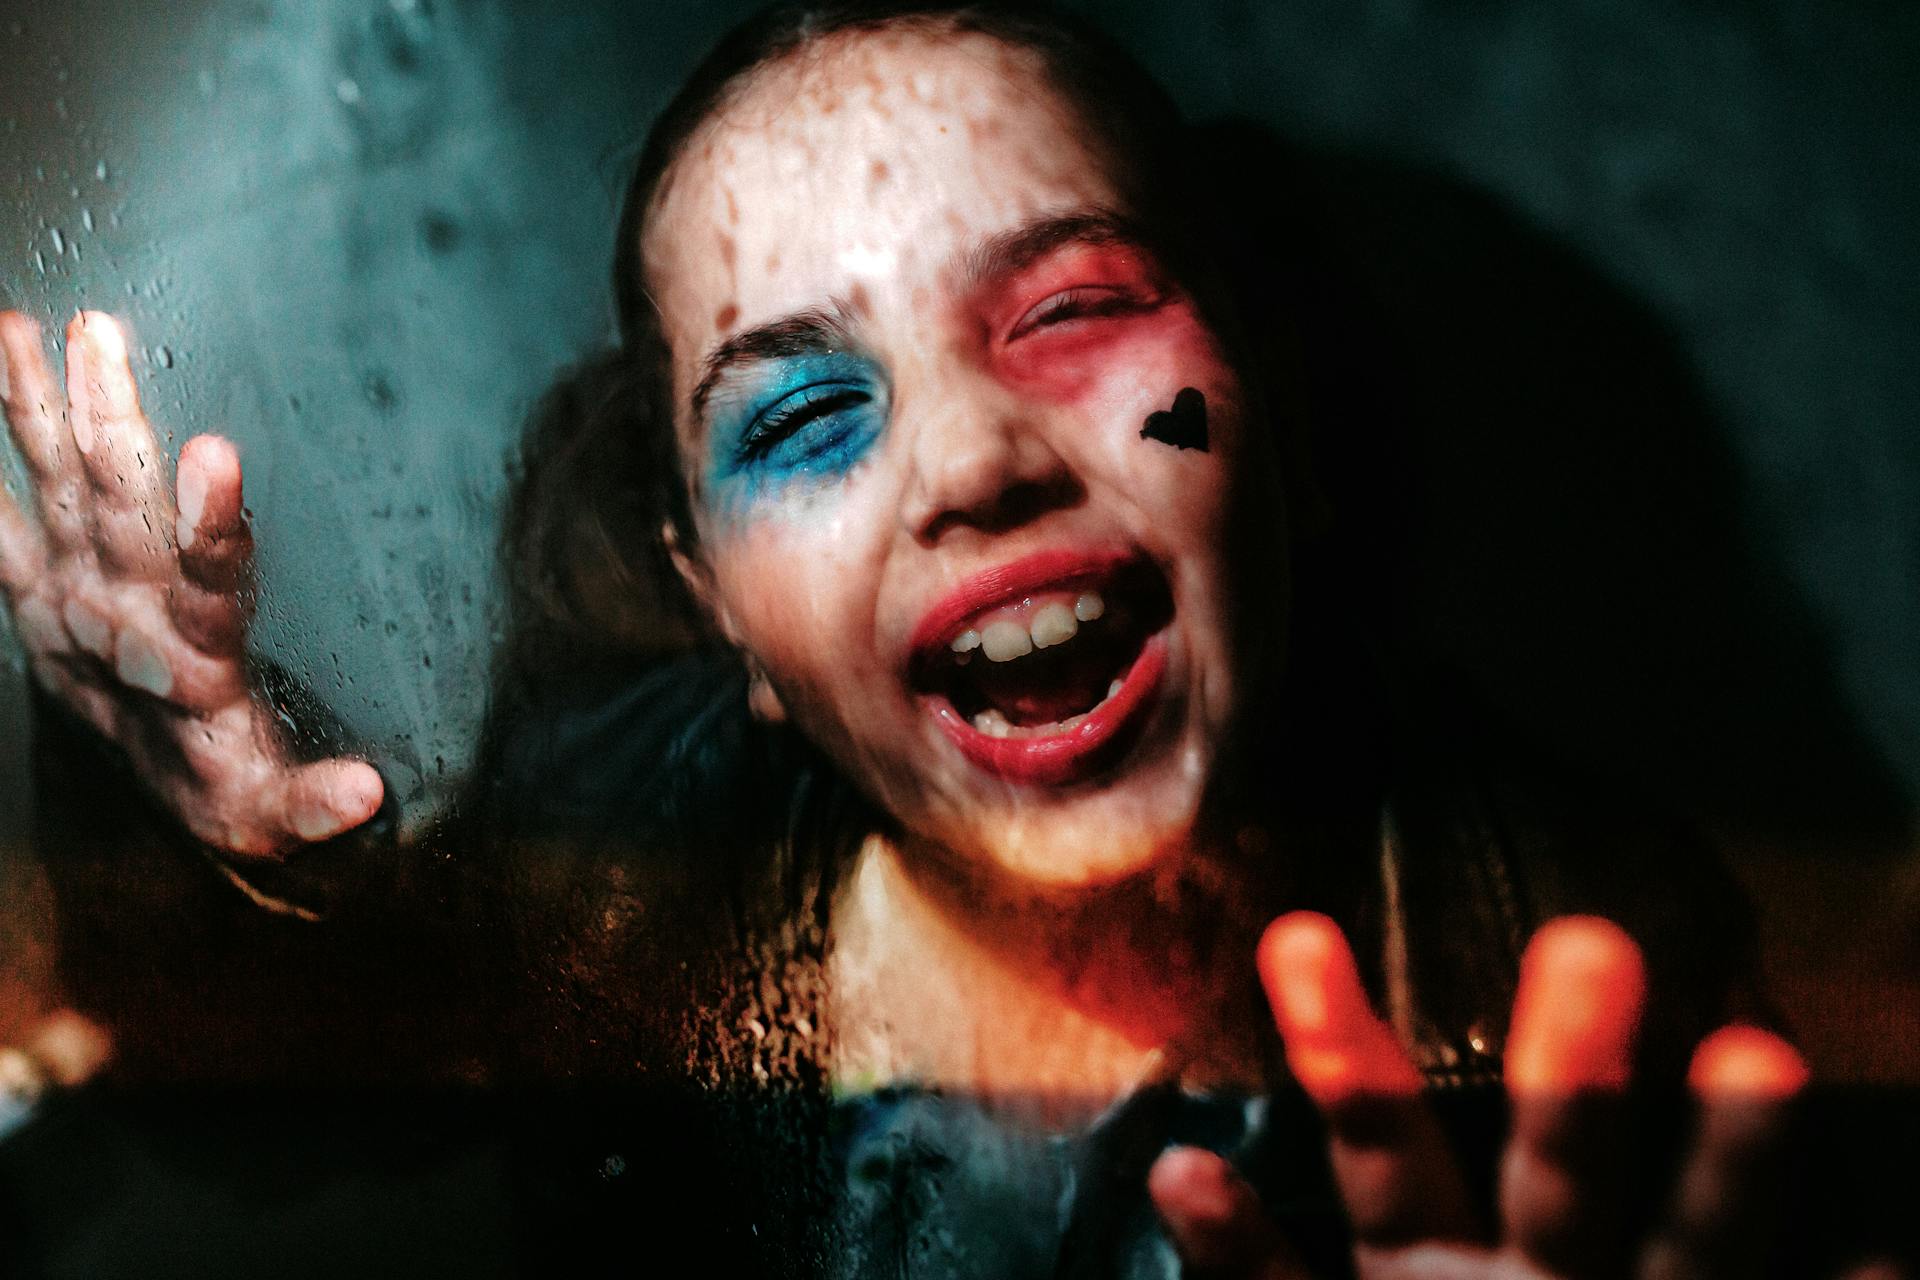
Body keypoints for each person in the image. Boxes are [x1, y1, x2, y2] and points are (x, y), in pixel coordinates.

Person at [0, 3, 1845, 1276]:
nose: (972, 459)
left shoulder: (1578, 982)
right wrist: (209, 824)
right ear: (711, 594)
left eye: (1072, 314)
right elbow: (333, 1084)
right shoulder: (639, 829)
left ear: (1267, 402)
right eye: (800, 417)